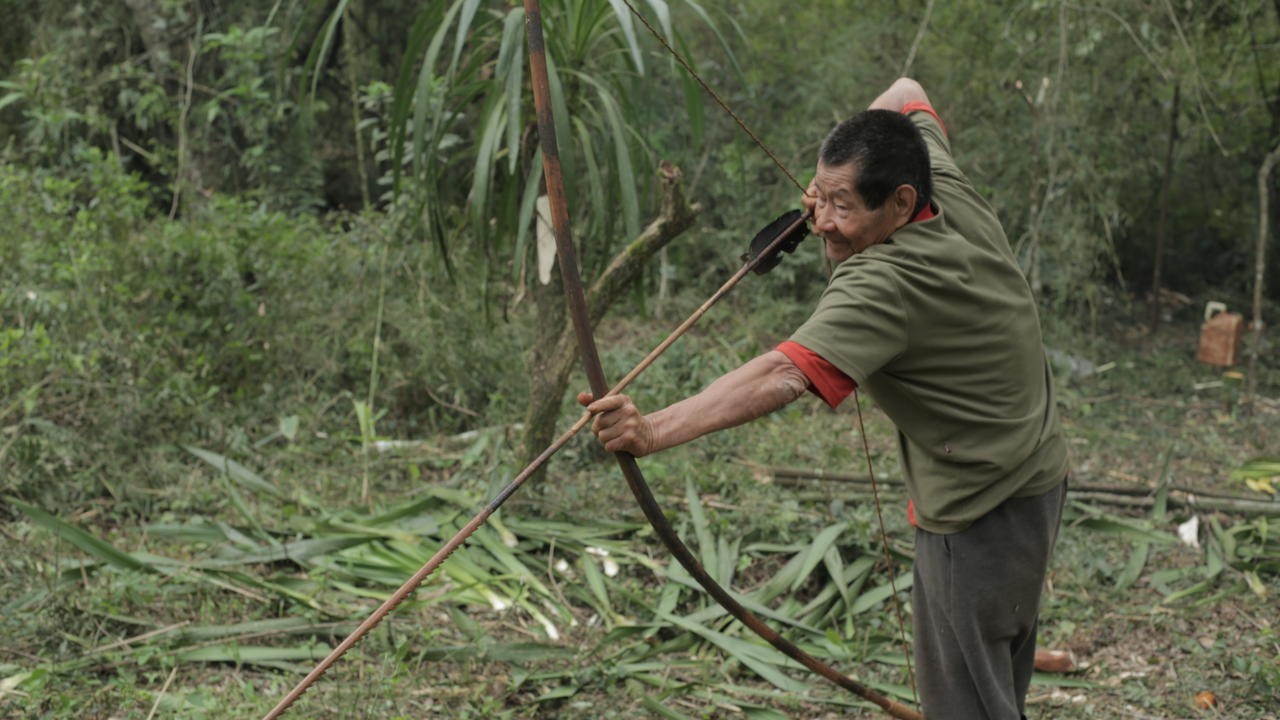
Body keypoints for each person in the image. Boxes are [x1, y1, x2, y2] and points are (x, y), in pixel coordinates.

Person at [578, 77, 1069, 720]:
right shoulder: (940, 187)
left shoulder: (885, 281)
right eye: (821, 194)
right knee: (994, 680)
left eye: (842, 206)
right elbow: (906, 89)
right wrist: (836, 189)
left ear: (899, 201)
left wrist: (650, 432)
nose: (822, 222)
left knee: (965, 706)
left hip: (980, 513)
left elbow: (782, 374)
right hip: (1035, 477)